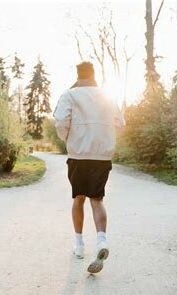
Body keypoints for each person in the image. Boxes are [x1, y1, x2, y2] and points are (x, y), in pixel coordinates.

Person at [53, 62, 124, 274]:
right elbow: (120, 124)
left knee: (79, 198)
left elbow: (60, 122)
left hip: (78, 155)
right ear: (94, 74)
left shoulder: (70, 95)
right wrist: (107, 138)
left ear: (78, 74)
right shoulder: (108, 96)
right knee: (97, 199)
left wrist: (67, 138)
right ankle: (101, 241)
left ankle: (79, 245)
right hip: (101, 156)